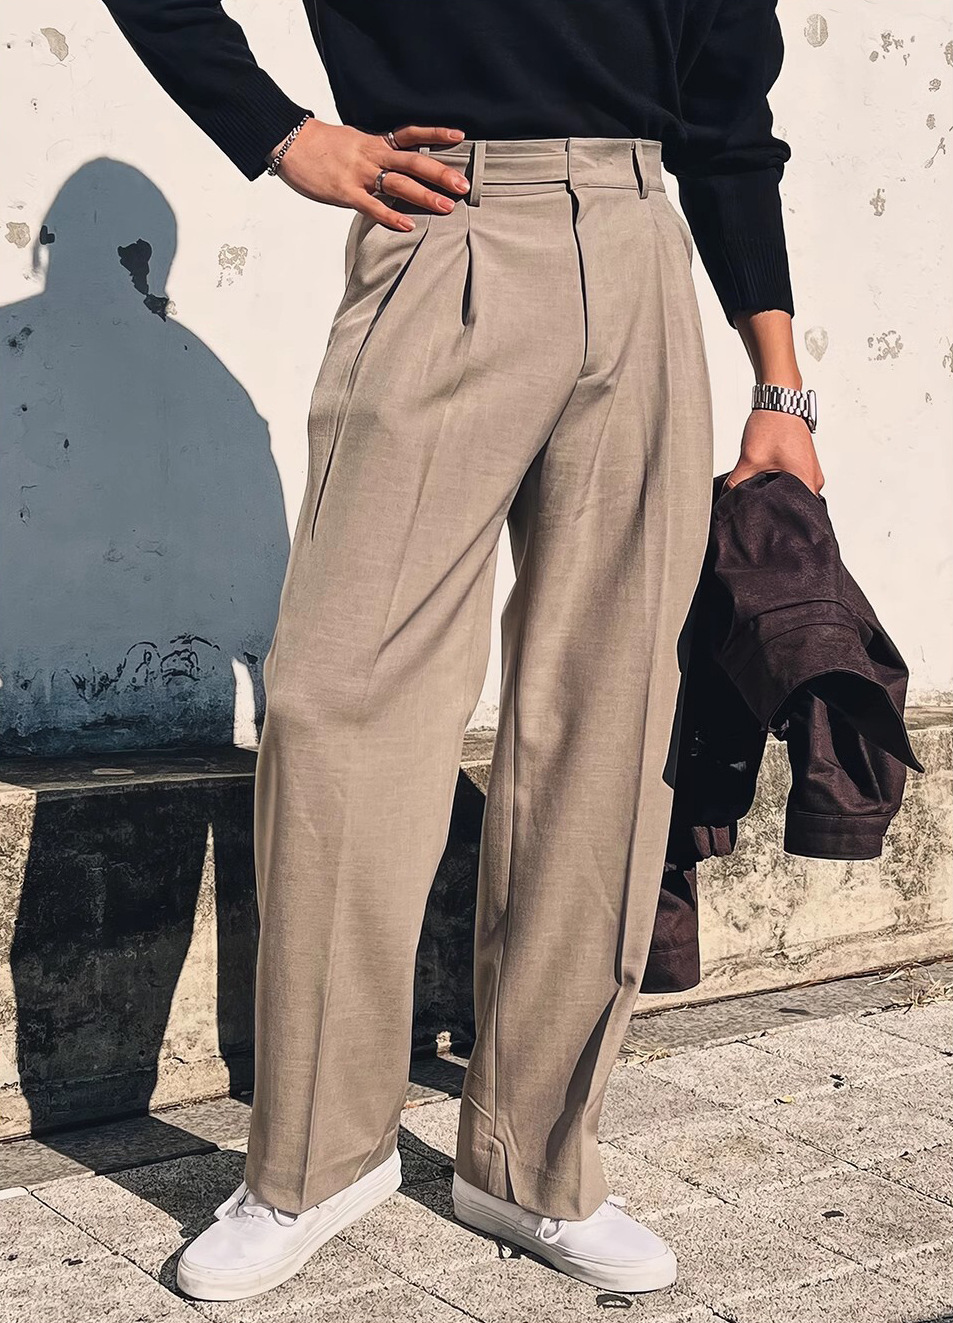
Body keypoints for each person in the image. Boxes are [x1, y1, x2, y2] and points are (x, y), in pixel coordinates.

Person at [100, 0, 823, 1303]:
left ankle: (534, 1164)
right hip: (446, 223)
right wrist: (279, 135)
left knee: (608, 722)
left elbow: (728, 113)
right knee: (337, 707)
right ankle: (313, 1163)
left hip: (641, 243)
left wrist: (779, 382)